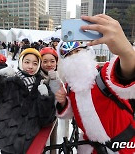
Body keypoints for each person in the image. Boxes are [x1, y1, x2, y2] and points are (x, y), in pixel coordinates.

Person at [55, 14, 135, 154]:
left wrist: (126, 53)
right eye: (69, 55)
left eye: (78, 51)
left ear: (87, 53)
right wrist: (62, 103)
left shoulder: (103, 74)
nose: (75, 57)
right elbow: (71, 113)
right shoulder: (70, 86)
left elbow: (124, 76)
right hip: (92, 148)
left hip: (125, 145)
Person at [0, 48, 56, 154]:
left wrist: (45, 98)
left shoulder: (41, 86)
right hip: (7, 143)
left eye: (35, 63)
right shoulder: (8, 83)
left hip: (31, 143)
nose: (30, 66)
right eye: (27, 62)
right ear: (20, 62)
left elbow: (46, 120)